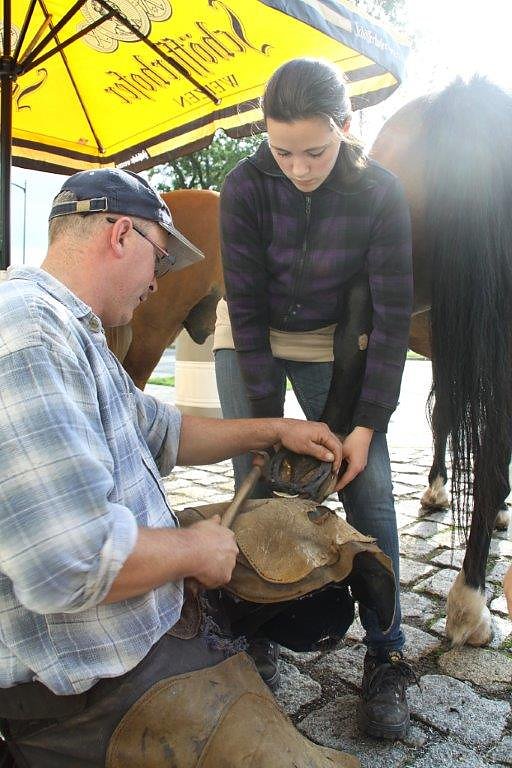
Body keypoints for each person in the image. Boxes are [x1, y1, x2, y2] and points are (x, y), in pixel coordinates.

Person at [0, 168, 359, 768]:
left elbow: (162, 429)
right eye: (159, 261)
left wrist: (273, 429)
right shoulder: (29, 334)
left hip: (147, 621)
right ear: (120, 235)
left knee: (316, 550)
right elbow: (70, 563)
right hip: (96, 688)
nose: (156, 284)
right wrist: (194, 551)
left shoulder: (75, 329)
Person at [215, 57, 414, 740]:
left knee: (371, 489)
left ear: (346, 127)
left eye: (316, 151)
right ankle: (259, 632)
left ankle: (387, 653)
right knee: (258, 483)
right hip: (251, 336)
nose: (299, 168)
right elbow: (244, 308)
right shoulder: (242, 185)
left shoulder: (382, 192)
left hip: (338, 341)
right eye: (282, 151)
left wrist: (364, 426)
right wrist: (268, 428)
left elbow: (390, 321)